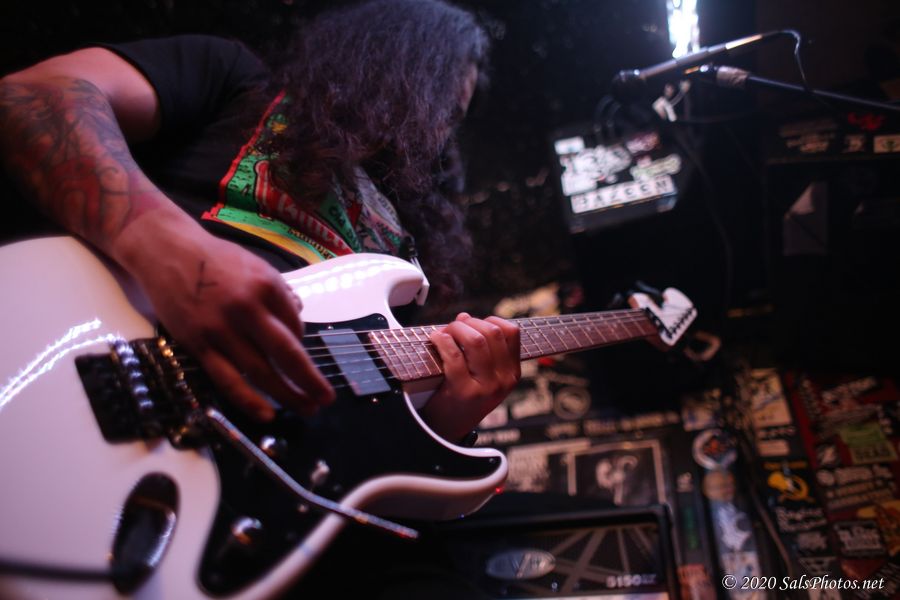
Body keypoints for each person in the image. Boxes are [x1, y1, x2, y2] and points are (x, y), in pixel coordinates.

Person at [0, 0, 521, 445]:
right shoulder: (237, 80)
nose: (437, 131)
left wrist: (452, 414)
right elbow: (32, 95)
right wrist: (167, 247)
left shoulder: (409, 241)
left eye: (453, 118)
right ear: (390, 59)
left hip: (249, 484)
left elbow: (369, 441)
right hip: (94, 359)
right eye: (437, 97)